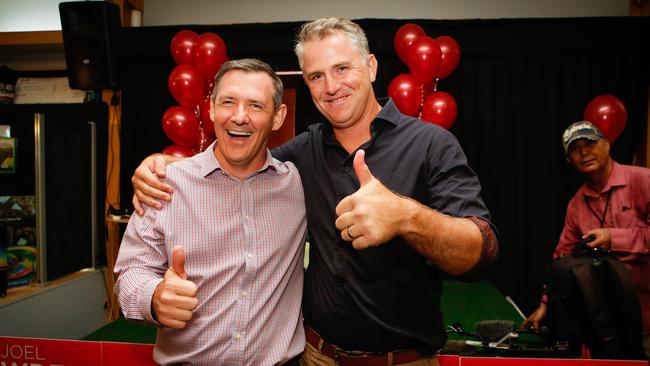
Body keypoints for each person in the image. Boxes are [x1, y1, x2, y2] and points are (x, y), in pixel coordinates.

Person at [133, 17, 498, 365]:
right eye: (316, 76)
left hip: (404, 361)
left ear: (370, 67)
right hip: (315, 357)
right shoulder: (299, 155)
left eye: (342, 69)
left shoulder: (431, 144)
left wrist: (407, 217)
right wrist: (162, 165)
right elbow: (239, 159)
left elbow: (480, 252)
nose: (331, 87)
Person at [114, 58, 308, 366]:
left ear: (278, 116)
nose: (240, 117)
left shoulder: (298, 183)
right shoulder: (165, 185)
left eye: (256, 106)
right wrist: (154, 297)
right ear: (212, 108)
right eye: (228, 102)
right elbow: (129, 274)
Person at [522, 121, 650, 357]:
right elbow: (562, 258)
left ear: (607, 145)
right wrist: (544, 304)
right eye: (574, 148)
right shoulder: (576, 205)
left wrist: (613, 237)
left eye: (589, 143)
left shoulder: (643, 181)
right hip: (609, 327)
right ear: (569, 160)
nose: (583, 152)